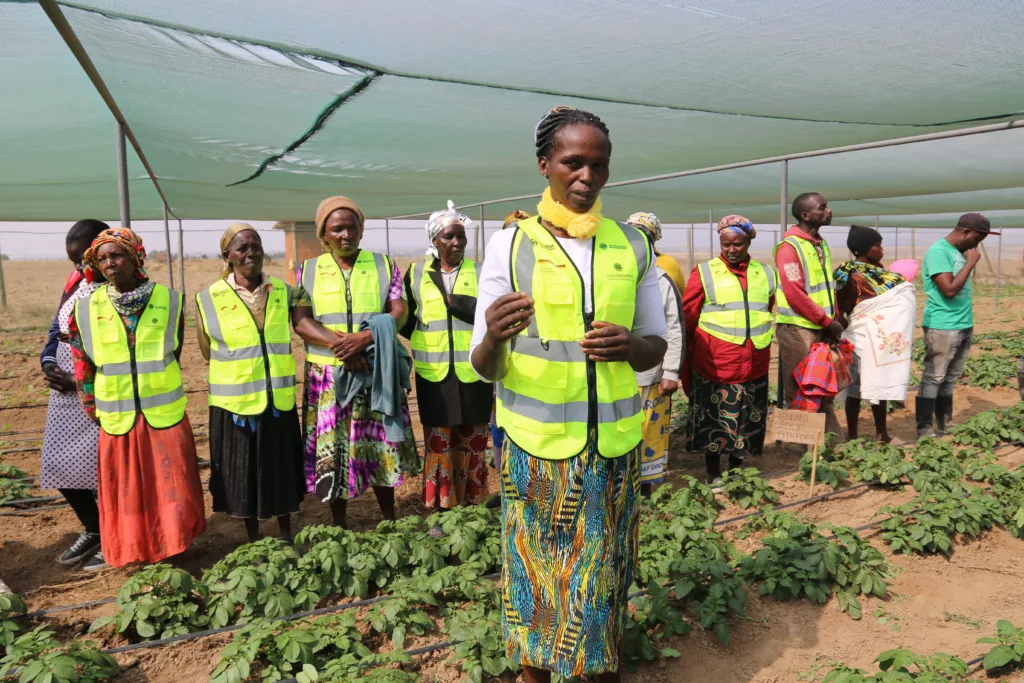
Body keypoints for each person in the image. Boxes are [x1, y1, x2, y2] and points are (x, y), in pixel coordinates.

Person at [471, 106, 667, 682]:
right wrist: (494, 336)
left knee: (602, 573)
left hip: (611, 449)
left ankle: (598, 669)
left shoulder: (632, 245)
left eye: (599, 165)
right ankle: (534, 674)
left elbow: (654, 346)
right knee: (535, 573)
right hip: (535, 448)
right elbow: (483, 365)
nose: (587, 176)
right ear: (544, 165)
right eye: (573, 163)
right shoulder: (510, 245)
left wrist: (630, 345)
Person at [69, 228, 206, 569]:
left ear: (135, 258)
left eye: (117, 255)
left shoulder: (169, 300)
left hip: (163, 414)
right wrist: (92, 406)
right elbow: (83, 364)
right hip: (118, 417)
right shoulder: (85, 309)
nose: (110, 264)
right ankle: (135, 550)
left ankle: (174, 548)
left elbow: (173, 351)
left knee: (170, 485)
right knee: (127, 489)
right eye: (102, 259)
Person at [291, 196, 419, 529]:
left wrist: (364, 339)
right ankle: (339, 525)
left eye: (352, 227)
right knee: (333, 452)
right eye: (337, 229)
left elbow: (399, 310)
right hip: (327, 377)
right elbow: (301, 320)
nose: (346, 234)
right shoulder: (307, 270)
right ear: (324, 234)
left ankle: (388, 520)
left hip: (375, 370)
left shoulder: (384, 265)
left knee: (379, 446)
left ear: (361, 230)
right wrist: (343, 346)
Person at [196, 224, 305, 543]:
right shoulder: (208, 298)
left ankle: (285, 535)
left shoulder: (284, 291)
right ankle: (254, 541)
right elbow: (206, 351)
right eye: (242, 248)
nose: (251, 253)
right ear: (227, 255)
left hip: (278, 401)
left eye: (255, 246)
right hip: (235, 405)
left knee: (280, 472)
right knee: (243, 477)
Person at [401, 202, 492, 531]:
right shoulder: (415, 275)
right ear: (434, 241)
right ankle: (440, 514)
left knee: (473, 443)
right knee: (439, 444)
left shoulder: (481, 272)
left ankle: (473, 512)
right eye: (449, 237)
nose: (457, 243)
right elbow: (406, 320)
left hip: (473, 372)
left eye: (461, 237)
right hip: (435, 375)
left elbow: (491, 315)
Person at [683, 215, 777, 483]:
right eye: (726, 245)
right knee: (714, 419)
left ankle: (736, 468)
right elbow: (688, 315)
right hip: (716, 363)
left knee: (747, 417)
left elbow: (765, 309)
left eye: (738, 244)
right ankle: (713, 472)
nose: (731, 250)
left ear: (748, 242)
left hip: (755, 360)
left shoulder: (765, 273)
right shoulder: (705, 272)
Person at [39, 219, 108, 569]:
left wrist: (81, 381)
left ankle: (114, 535)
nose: (79, 266)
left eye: (83, 258)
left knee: (105, 468)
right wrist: (49, 360)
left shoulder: (119, 286)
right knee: (58, 461)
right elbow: (57, 326)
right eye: (74, 260)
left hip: (99, 389)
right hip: (66, 393)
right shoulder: (76, 282)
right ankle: (94, 528)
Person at [833, 226, 915, 443]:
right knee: (854, 389)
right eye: (878, 245)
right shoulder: (851, 276)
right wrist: (858, 323)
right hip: (857, 337)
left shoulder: (882, 275)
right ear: (864, 249)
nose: (882, 250)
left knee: (880, 383)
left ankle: (881, 433)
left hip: (879, 338)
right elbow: (841, 307)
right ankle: (853, 436)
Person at [774, 192, 844, 441]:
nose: (828, 210)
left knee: (822, 386)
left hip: (820, 327)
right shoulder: (789, 248)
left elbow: (826, 288)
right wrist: (827, 322)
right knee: (800, 389)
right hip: (798, 328)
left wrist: (833, 320)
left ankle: (829, 444)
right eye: (822, 207)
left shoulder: (819, 244)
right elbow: (795, 294)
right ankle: (801, 450)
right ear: (805, 215)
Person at [917, 213, 994, 437]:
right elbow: (949, 290)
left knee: (950, 377)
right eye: (977, 239)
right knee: (934, 376)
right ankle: (924, 427)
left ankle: (944, 423)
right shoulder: (939, 252)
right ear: (966, 232)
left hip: (963, 322)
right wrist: (970, 263)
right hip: (943, 324)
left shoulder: (959, 252)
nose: (977, 245)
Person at [629, 219, 684, 496]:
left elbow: (675, 327)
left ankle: (645, 492)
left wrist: (671, 371)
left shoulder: (662, 281)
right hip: (614, 374)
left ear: (652, 243)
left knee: (649, 431)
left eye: (643, 238)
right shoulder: (610, 275)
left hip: (651, 375)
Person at [626, 211, 686, 293]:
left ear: (651, 236)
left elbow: (679, 292)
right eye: (630, 231)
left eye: (639, 232)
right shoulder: (621, 259)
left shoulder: (668, 263)